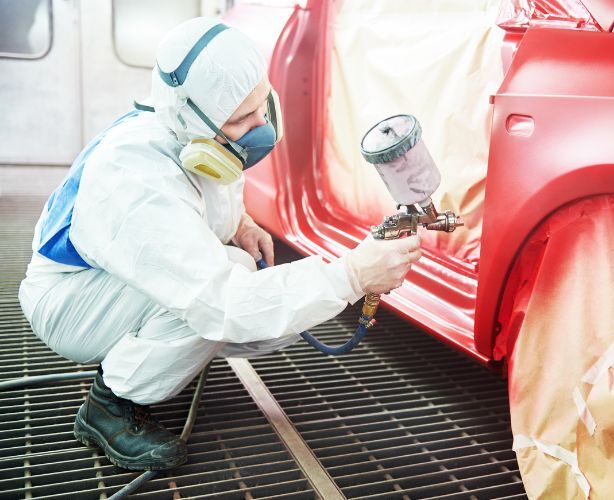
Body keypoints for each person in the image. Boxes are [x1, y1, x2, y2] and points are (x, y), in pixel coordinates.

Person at [17, 17, 421, 471]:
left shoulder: (192, 132)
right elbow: (222, 302)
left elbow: (211, 187)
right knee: (222, 292)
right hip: (71, 303)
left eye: (261, 106)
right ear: (193, 118)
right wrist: (352, 276)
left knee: (239, 274)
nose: (260, 127)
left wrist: (242, 221)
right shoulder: (133, 179)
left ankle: (147, 358)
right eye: (241, 120)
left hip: (112, 280)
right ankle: (108, 406)